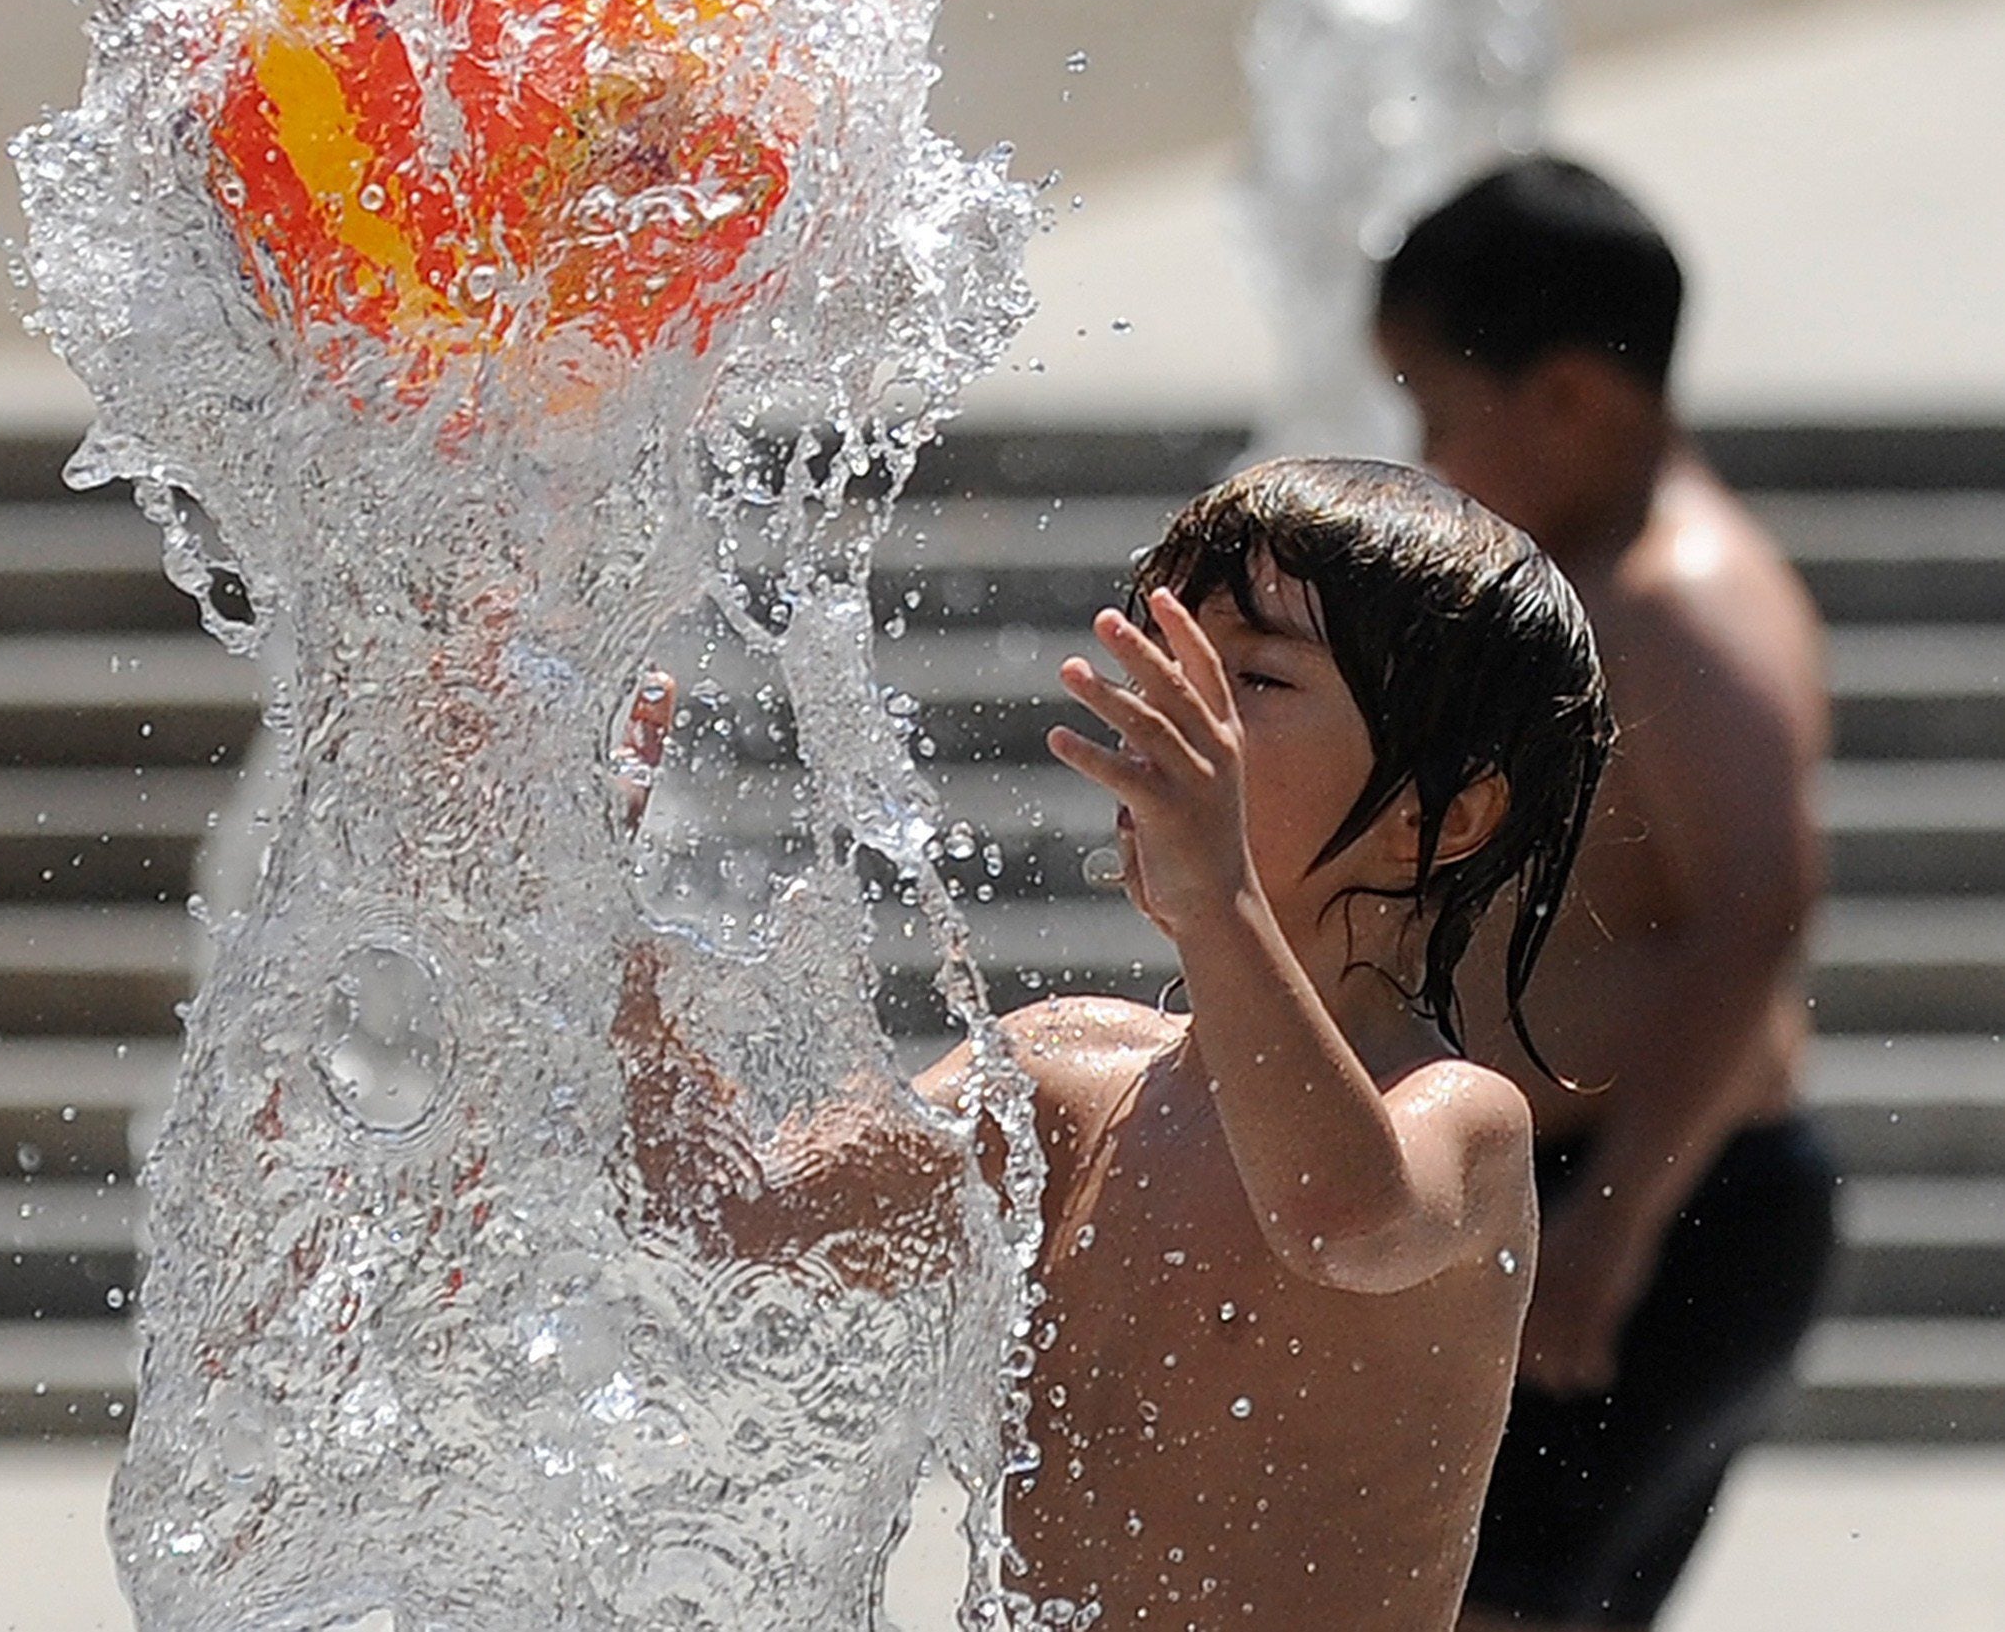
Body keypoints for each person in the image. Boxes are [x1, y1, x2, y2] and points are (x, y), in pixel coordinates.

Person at [619, 457, 1614, 1629]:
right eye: (1159, 660)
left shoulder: (1460, 1122)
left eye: (1248, 675)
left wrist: (1219, 900)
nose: (1167, 721)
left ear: (1442, 816)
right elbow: (716, 1217)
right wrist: (594, 884)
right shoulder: (1061, 1077)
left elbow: (1339, 1219)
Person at [1374, 158, 1838, 1632]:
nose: (1424, 457)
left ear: (1567, 396)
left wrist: (1613, 1228)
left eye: (1436, 412)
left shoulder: (1673, 599)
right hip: (1606, 1191)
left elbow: (1754, 915)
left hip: (1673, 1202)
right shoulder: (1593, 581)